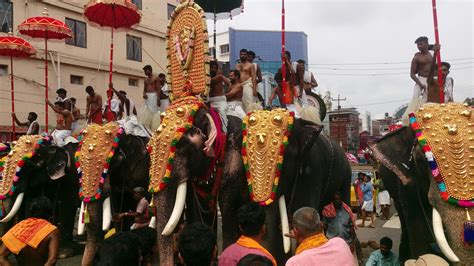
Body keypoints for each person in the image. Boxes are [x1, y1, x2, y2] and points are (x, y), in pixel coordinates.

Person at [0, 196, 59, 266]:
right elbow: (52, 261)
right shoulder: (52, 231)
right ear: (50, 214)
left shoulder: (17, 228)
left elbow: (1, 257)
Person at [285, 207, 353, 266]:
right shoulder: (340, 243)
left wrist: (299, 236)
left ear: (296, 232)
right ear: (321, 225)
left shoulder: (294, 262)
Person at [410, 36, 435, 102]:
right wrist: (420, 84)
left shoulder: (433, 54)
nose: (419, 46)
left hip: (431, 80)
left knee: (428, 101)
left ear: (427, 44)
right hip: (421, 80)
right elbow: (412, 74)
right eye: (418, 45)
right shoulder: (416, 57)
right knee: (415, 100)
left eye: (421, 44)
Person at [236, 49, 261, 113]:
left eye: (244, 54)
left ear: (247, 56)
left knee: (249, 104)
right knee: (241, 105)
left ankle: (251, 120)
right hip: (239, 87)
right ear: (239, 55)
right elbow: (235, 77)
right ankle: (244, 120)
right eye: (241, 54)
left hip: (248, 85)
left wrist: (254, 90)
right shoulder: (237, 66)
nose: (243, 56)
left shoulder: (251, 65)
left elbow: (254, 78)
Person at [208, 60, 230, 131]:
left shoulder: (219, 77)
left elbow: (229, 83)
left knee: (223, 114)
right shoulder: (205, 79)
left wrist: (227, 92)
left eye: (215, 68)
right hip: (209, 102)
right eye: (211, 68)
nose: (213, 69)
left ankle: (225, 132)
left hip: (220, 102)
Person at [138, 65, 161, 131]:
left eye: (146, 70)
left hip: (154, 96)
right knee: (147, 111)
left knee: (154, 111)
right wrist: (144, 94)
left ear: (150, 70)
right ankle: (147, 127)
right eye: (144, 71)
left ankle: (154, 127)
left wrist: (158, 99)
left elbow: (158, 89)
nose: (145, 72)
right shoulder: (145, 80)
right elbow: (144, 89)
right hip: (147, 97)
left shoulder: (156, 78)